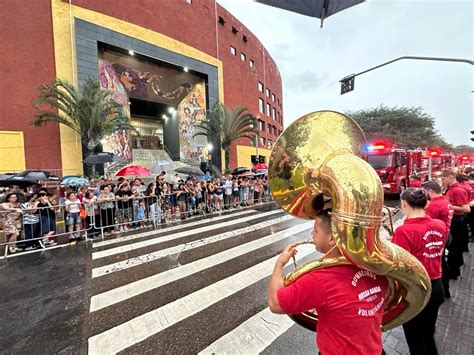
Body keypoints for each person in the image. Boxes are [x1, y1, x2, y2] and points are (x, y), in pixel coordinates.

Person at [268, 209, 388, 355]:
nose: (312, 234)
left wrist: (279, 264)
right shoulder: (379, 266)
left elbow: (275, 304)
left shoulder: (321, 279)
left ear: (332, 238)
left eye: (316, 230)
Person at [392, 189, 448, 355]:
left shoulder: (403, 231)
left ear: (404, 204)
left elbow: (400, 265)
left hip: (417, 292)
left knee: (415, 339)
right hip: (437, 286)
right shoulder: (440, 225)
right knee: (428, 335)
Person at [423, 180, 454, 298]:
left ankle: (442, 290)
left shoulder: (435, 205)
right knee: (442, 263)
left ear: (430, 191)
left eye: (425, 191)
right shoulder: (445, 201)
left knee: (438, 265)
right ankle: (446, 289)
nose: (424, 193)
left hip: (438, 237)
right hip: (446, 233)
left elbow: (426, 222)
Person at [440, 170, 470, 279]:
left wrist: (447, 206)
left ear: (451, 177)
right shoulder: (450, 189)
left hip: (457, 220)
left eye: (443, 179)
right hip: (453, 219)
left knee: (454, 246)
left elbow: (466, 208)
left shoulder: (458, 190)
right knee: (454, 246)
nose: (442, 182)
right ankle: (455, 267)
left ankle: (453, 271)